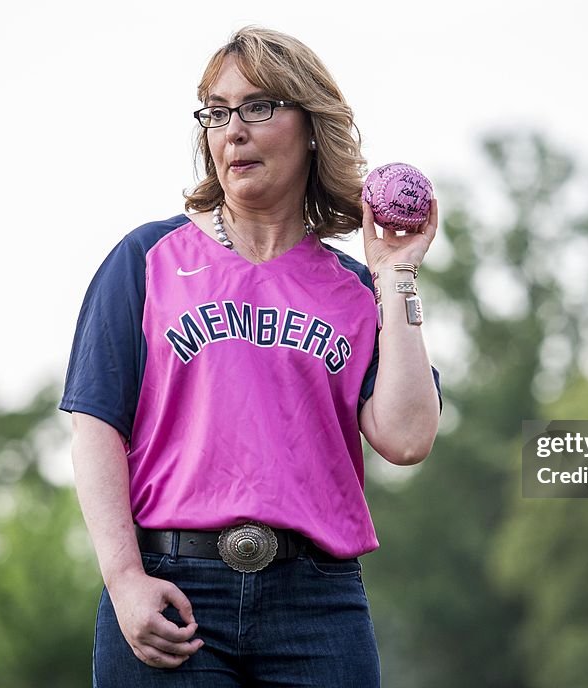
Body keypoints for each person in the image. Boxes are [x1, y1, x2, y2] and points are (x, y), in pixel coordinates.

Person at [60, 26, 441, 687]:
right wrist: (124, 579)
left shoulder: (357, 289)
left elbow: (407, 437)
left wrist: (397, 276)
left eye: (259, 106)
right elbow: (96, 427)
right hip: (171, 588)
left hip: (316, 603)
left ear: (312, 126)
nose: (232, 129)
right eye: (216, 111)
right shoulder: (146, 260)